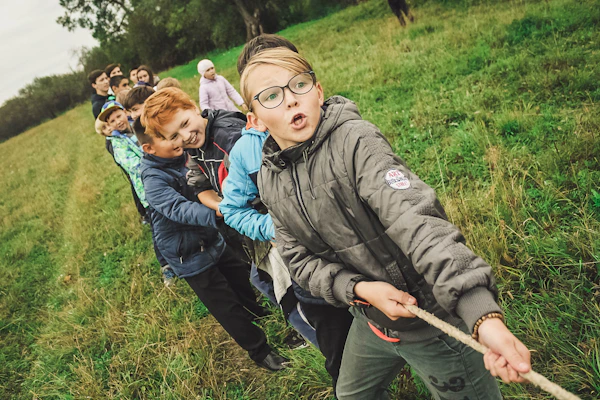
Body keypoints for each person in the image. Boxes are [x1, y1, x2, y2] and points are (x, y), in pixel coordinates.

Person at [241, 48, 532, 399]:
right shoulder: (270, 180)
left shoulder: (356, 142)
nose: (290, 100)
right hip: (370, 320)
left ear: (318, 92)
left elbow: (415, 220)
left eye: (298, 85)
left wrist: (481, 314)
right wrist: (360, 290)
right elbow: (299, 262)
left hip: (430, 323)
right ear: (255, 120)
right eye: (271, 96)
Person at [221, 34, 354, 389]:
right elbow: (231, 209)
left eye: (294, 79)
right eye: (270, 90)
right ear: (255, 105)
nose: (288, 97)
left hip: (363, 259)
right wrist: (276, 229)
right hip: (313, 275)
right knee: (341, 356)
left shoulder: (341, 129)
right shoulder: (249, 152)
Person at [138, 98, 288, 371]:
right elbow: (177, 208)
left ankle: (257, 312)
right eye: (170, 138)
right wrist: (221, 213)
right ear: (150, 147)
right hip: (188, 254)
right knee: (225, 305)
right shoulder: (152, 179)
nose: (180, 140)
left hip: (212, 239)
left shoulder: (188, 150)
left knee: (242, 279)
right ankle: (260, 351)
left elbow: (204, 178)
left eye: (182, 128)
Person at [98, 101, 176, 286]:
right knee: (159, 229)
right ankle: (166, 265)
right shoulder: (117, 143)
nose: (117, 122)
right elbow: (133, 166)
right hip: (148, 191)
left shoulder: (140, 128)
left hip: (167, 180)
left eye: (118, 116)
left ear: (125, 113)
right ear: (108, 126)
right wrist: (158, 160)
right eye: (111, 121)